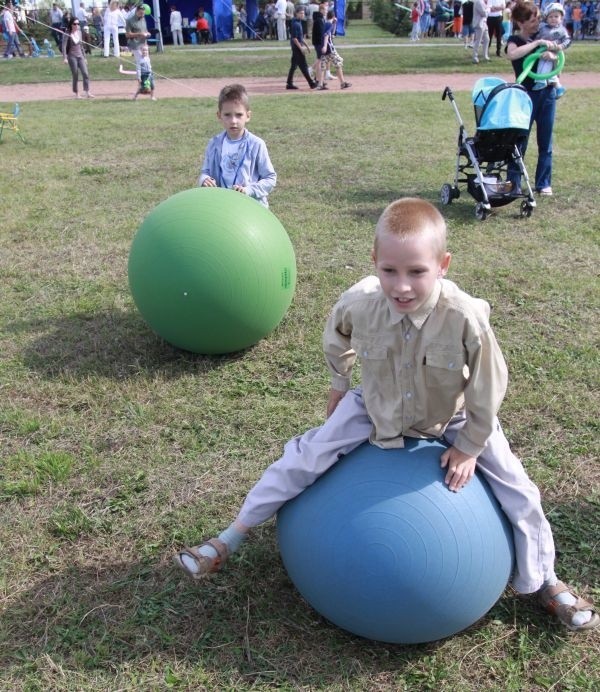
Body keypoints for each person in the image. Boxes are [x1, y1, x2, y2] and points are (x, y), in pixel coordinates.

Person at [173, 197, 600, 634]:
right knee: (301, 457)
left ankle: (545, 581)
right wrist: (339, 386)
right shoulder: (361, 302)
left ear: (443, 264)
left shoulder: (464, 315)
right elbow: (336, 337)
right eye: (389, 270)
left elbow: (490, 384)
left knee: (519, 489)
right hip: (374, 408)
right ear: (374, 261)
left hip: (449, 416)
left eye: (417, 271)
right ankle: (229, 539)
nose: (402, 286)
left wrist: (471, 444)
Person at [506, 0, 559, 196]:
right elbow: (512, 54)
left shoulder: (544, 35)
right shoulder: (515, 40)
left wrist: (553, 55)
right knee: (520, 141)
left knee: (546, 141)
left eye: (538, 19)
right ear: (520, 22)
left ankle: (543, 183)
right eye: (533, 19)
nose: (537, 22)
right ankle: (513, 182)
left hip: (547, 94)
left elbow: (559, 49)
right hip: (525, 96)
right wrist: (536, 45)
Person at [197, 84, 277, 207]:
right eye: (227, 115)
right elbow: (205, 171)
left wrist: (249, 190)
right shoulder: (214, 144)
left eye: (239, 115)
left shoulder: (256, 144)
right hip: (221, 206)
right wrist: (204, 180)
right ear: (219, 116)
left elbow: (270, 178)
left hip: (250, 207)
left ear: (248, 116)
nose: (233, 121)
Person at [534, 3, 570, 98]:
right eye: (550, 17)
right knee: (546, 69)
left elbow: (568, 40)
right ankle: (558, 87)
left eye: (556, 16)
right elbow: (535, 37)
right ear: (546, 18)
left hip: (555, 53)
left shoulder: (562, 30)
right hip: (542, 51)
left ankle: (541, 81)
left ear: (561, 18)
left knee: (548, 67)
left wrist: (560, 46)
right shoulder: (542, 27)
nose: (553, 18)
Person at [316, 10, 351, 90]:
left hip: (325, 49)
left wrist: (334, 24)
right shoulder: (328, 24)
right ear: (333, 16)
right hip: (329, 49)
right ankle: (342, 83)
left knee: (323, 66)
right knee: (338, 63)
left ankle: (320, 84)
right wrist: (325, 46)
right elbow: (326, 35)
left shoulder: (327, 24)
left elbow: (332, 34)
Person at [286, 7, 318, 91]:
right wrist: (301, 48)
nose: (302, 15)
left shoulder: (298, 22)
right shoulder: (295, 24)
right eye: (301, 13)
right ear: (296, 13)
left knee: (294, 66)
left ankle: (289, 83)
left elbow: (300, 37)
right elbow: (295, 39)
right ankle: (311, 83)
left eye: (303, 13)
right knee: (304, 66)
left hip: (297, 47)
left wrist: (307, 46)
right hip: (296, 48)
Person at [62, 15, 94, 98]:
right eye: (74, 24)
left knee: (85, 73)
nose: (76, 26)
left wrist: (85, 58)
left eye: (78, 24)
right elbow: (64, 46)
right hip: (72, 56)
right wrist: (65, 58)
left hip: (80, 56)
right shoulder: (67, 34)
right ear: (71, 24)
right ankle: (76, 93)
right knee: (75, 74)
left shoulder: (79, 33)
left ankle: (87, 92)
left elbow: (81, 46)